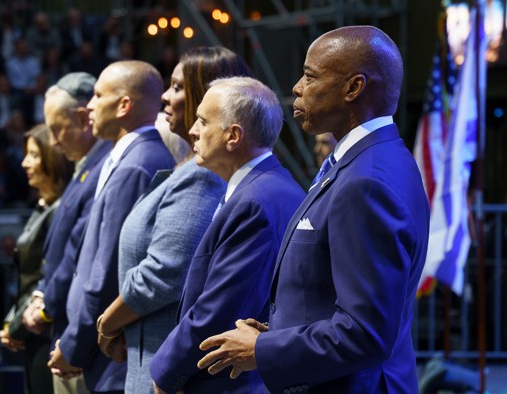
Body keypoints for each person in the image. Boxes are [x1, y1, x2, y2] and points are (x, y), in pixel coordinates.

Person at [196, 26, 430, 394]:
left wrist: (264, 349)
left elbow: (366, 332)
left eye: (310, 76)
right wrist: (284, 331)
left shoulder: (365, 181)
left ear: (354, 88)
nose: (297, 87)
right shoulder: (372, 159)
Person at [95, 47, 250, 394]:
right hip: (148, 353)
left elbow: (165, 272)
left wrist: (108, 322)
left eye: (178, 87)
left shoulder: (204, 175)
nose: (166, 96)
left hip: (165, 365)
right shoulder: (189, 168)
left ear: (207, 97)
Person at [148, 77, 304, 393]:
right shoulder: (268, 186)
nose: (192, 130)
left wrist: (164, 374)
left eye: (203, 122)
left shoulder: (255, 202)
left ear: (233, 136)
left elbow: (220, 310)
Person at [48, 61, 176, 394]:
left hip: (110, 354)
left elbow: (106, 270)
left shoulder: (138, 164)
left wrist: (76, 343)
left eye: (97, 95)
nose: (89, 105)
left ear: (123, 105)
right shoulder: (130, 157)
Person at [20, 72, 112, 394]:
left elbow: (79, 252)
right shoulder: (86, 165)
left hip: (77, 331)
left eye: (58, 129)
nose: (54, 140)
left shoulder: (102, 166)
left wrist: (46, 306)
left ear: (84, 118)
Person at [0, 124, 74, 394]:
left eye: (33, 155)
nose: (24, 162)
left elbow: (46, 278)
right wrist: (12, 321)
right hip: (30, 325)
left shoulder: (58, 210)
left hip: (45, 330)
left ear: (51, 160)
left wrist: (16, 327)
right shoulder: (44, 206)